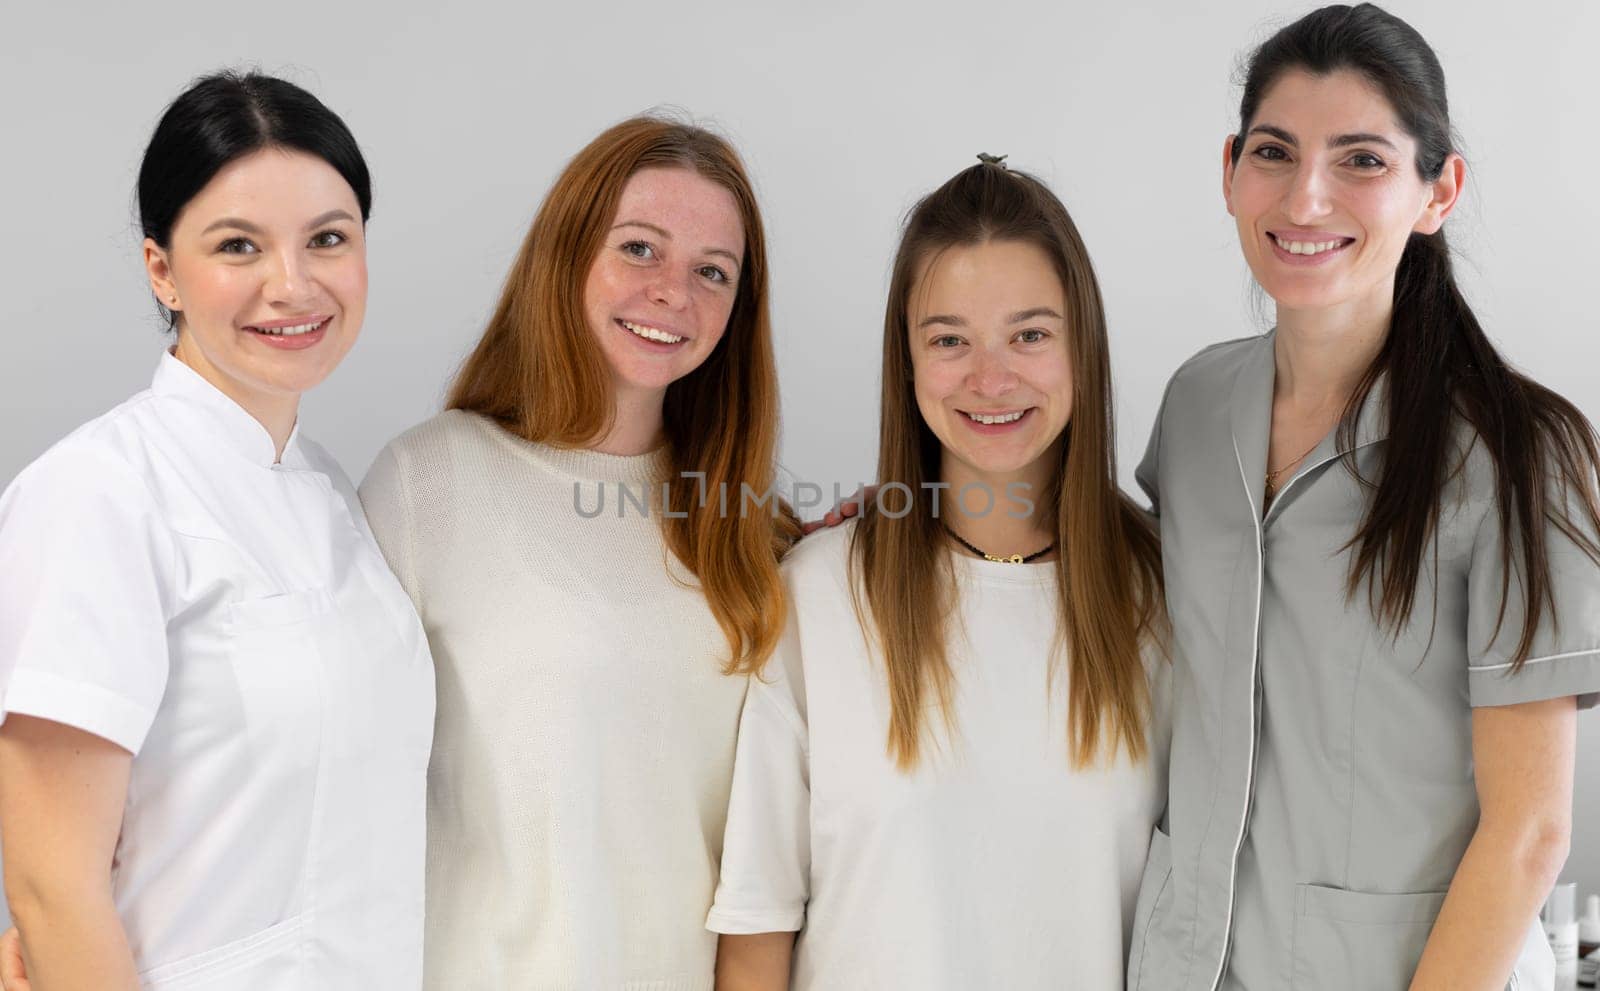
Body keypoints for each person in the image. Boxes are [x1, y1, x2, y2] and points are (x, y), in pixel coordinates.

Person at [1128, 5, 1600, 989]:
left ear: (1438, 191)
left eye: (1361, 160)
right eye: (1274, 151)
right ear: (1228, 172)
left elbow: (1530, 832)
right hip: (1185, 963)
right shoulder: (1193, 404)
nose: (1305, 198)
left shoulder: (1520, 453)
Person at [0, 71, 433, 989]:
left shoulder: (328, 492)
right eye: (239, 245)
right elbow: (50, 889)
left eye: (328, 238)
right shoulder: (99, 495)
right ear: (162, 268)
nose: (293, 283)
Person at [357, 115, 798, 988]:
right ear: (567, 253)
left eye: (714, 271)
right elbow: (324, 773)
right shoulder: (428, 483)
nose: (674, 290)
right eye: (640, 248)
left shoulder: (752, 533)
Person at [708, 160, 1169, 989]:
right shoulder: (820, 593)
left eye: (1030, 334)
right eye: (950, 339)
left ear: (1083, 345)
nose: (990, 379)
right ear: (908, 360)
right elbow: (755, 928)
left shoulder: (1165, 600)